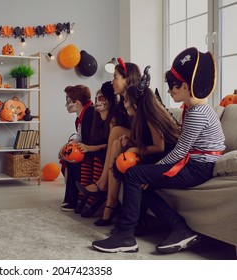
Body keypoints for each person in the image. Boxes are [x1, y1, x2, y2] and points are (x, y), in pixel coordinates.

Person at [91, 47, 226, 254]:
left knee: (135, 175)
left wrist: (152, 170)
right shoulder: (192, 110)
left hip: (198, 168)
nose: (170, 90)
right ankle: (179, 228)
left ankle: (126, 237)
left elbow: (180, 151)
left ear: (186, 86)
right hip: (194, 164)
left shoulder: (198, 113)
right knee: (143, 183)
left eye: (173, 86)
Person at [76, 58, 141, 222]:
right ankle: (105, 193)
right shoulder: (121, 105)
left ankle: (105, 193)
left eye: (116, 77)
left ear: (127, 79)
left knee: (117, 136)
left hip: (145, 144)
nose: (112, 81)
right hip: (127, 141)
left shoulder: (138, 100)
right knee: (116, 138)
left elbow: (144, 132)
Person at [74, 82, 119, 216]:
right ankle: (84, 195)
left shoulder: (113, 121)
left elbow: (109, 145)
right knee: (87, 156)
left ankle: (94, 198)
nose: (97, 102)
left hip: (107, 152)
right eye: (96, 98)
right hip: (98, 149)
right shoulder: (96, 119)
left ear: (110, 102)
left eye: (101, 98)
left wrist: (90, 148)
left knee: (97, 155)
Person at [59, 85, 95, 211]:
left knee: (73, 161)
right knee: (68, 159)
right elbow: (80, 136)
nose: (66, 105)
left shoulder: (90, 113)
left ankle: (75, 200)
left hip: (93, 150)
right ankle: (70, 198)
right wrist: (69, 144)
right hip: (85, 147)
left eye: (69, 102)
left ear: (77, 102)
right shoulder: (80, 117)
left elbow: (90, 138)